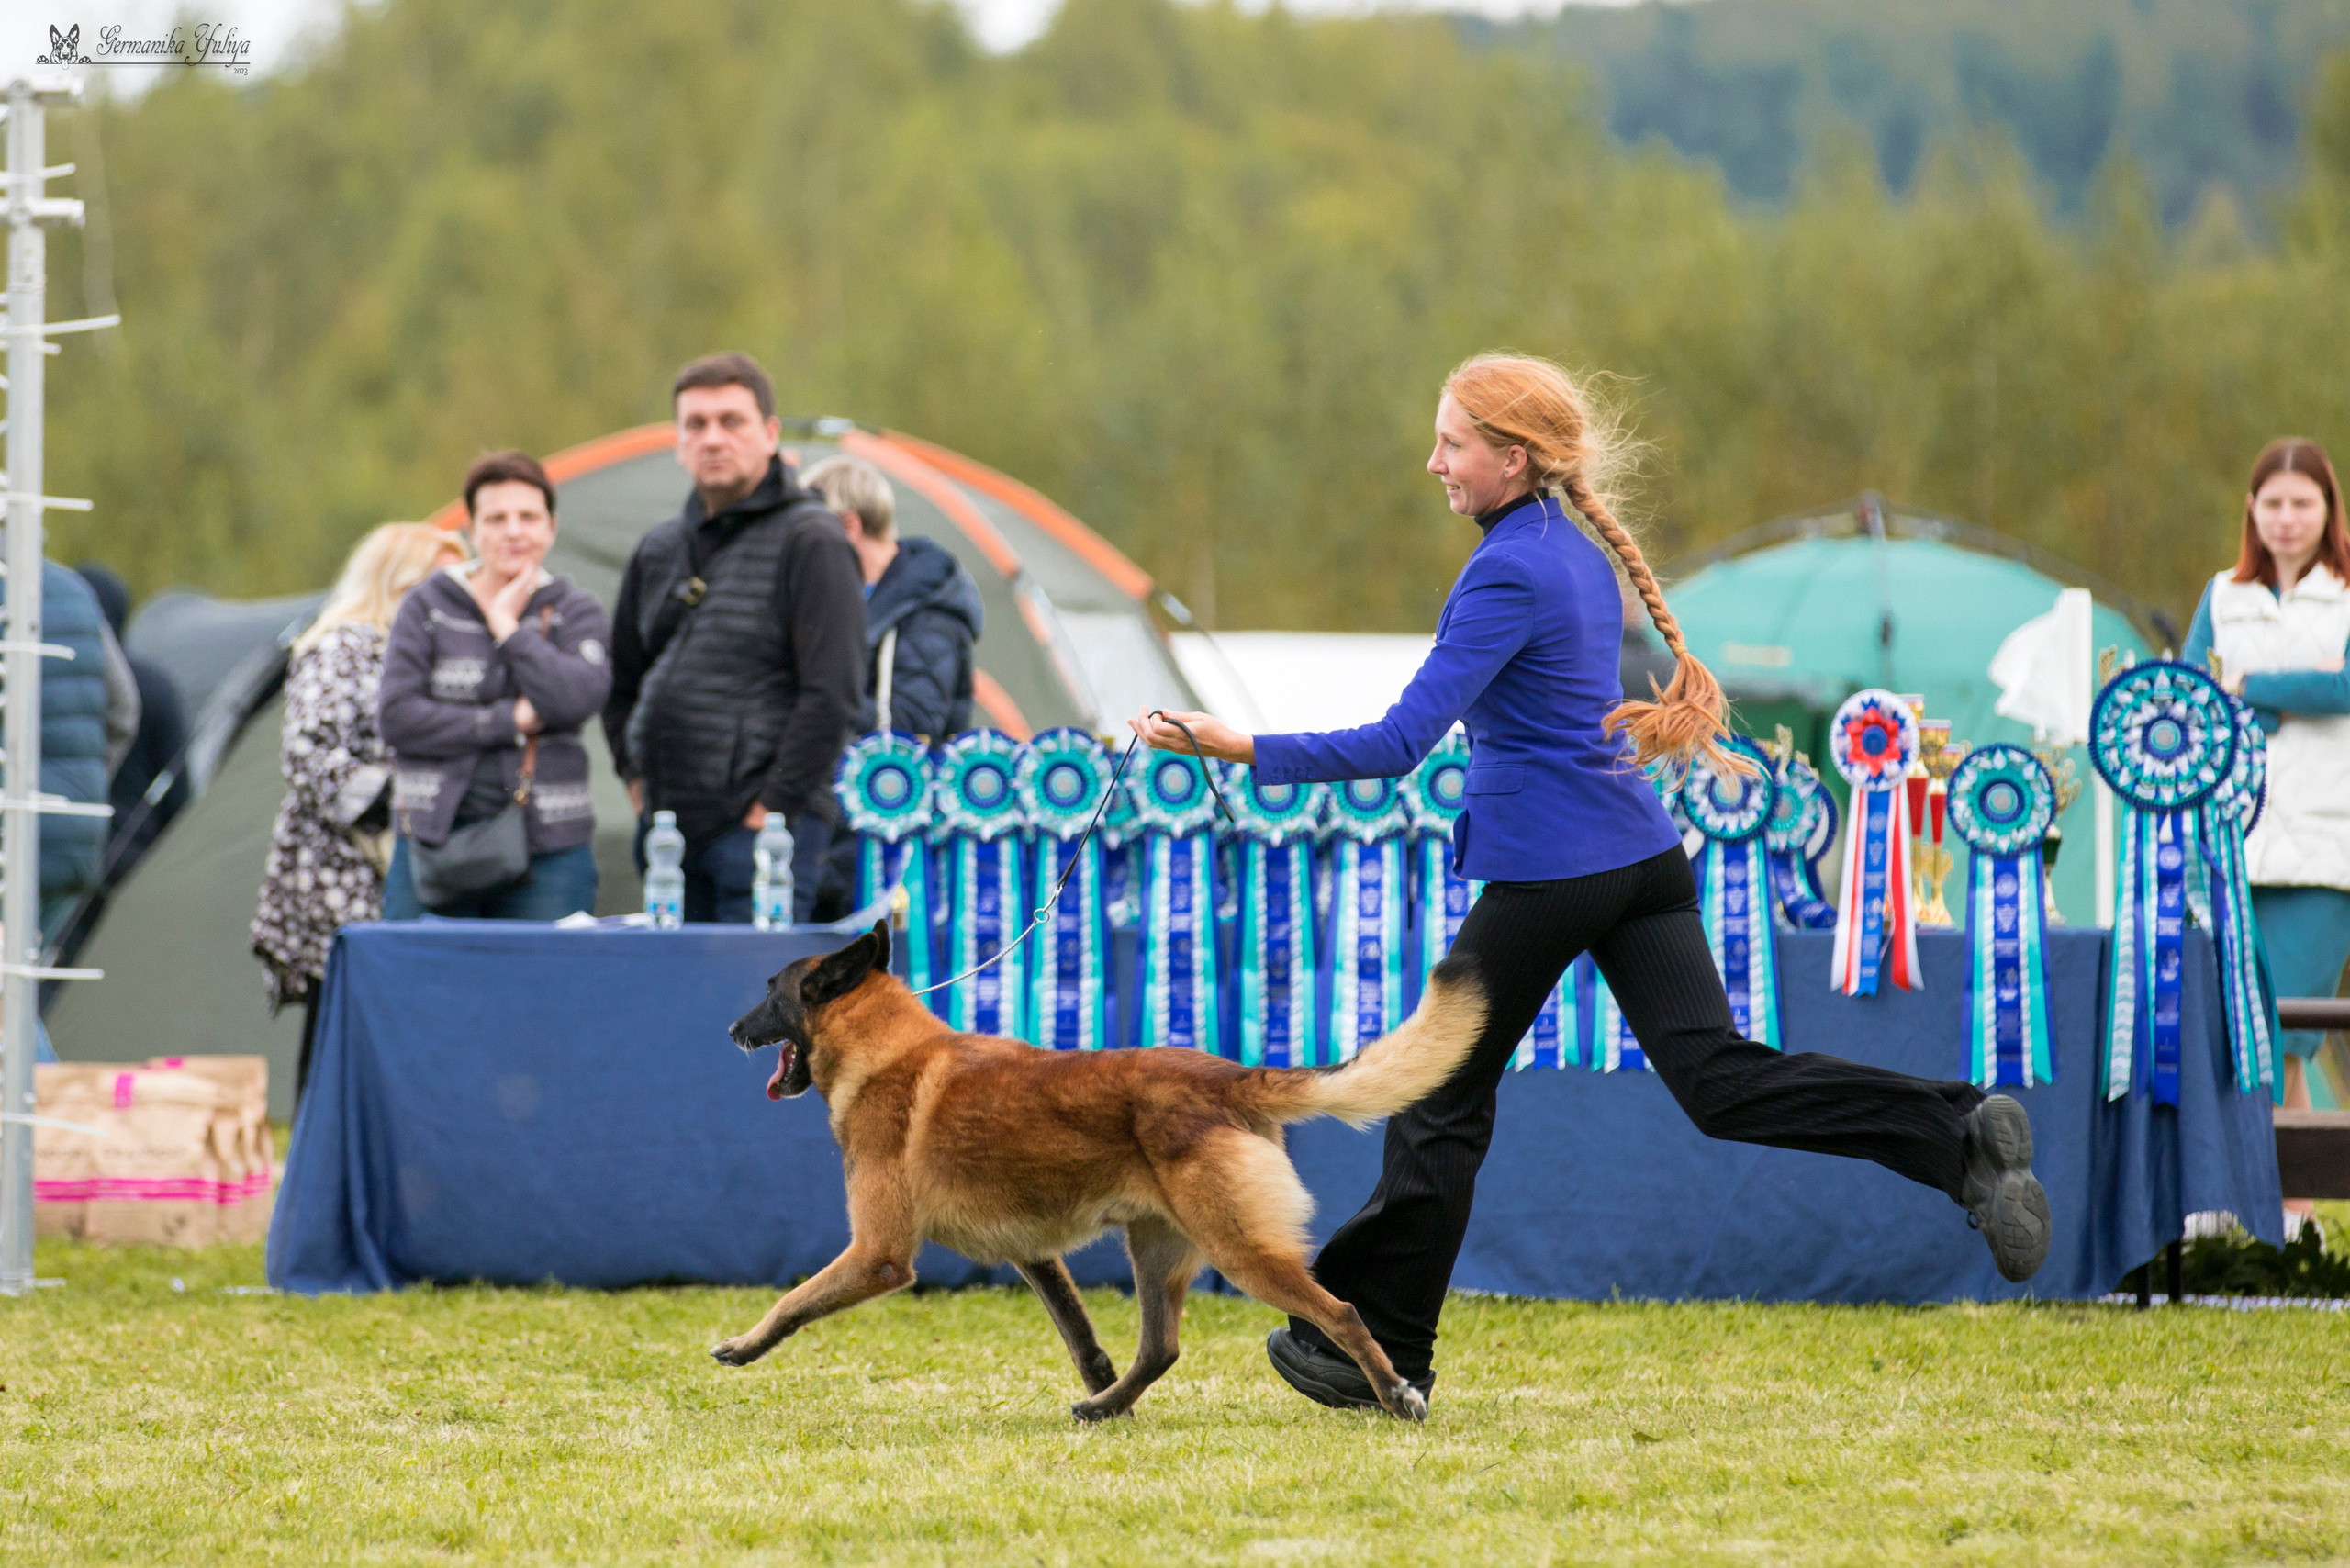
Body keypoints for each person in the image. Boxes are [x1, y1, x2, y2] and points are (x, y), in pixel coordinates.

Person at [1129, 353, 2051, 1415]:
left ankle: (1373, 1340)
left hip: (1555, 869)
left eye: (1452, 444)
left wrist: (1234, 744)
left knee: (1432, 1091)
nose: (1433, 462)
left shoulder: (1505, 569)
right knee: (1723, 1082)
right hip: (1639, 862)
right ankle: (1959, 1131)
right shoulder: (1568, 554)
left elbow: (1400, 740)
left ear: (1511, 459)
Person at [603, 353, 865, 924]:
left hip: (766, 838)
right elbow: (619, 681)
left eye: (731, 421)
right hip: (668, 836)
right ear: (678, 442)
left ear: (770, 434)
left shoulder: (812, 540)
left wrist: (770, 806)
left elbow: (834, 693)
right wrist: (635, 780)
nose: (713, 439)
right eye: (696, 425)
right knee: (677, 1003)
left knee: (755, 1007)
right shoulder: (659, 549)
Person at [252, 523, 464, 1102]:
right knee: (336, 1028)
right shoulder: (342, 646)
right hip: (340, 871)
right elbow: (307, 752)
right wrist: (398, 802)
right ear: (395, 581)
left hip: (412, 867)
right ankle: (315, 1180)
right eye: (434, 583)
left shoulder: (439, 655)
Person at [2183, 437, 2350, 1138]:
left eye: (2301, 502)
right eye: (2273, 503)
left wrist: (2249, 686)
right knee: (2240, 1034)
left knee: (2283, 1033)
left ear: (2328, 509)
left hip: (2323, 844)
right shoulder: (2223, 596)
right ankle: (2291, 1217)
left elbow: (2344, 686)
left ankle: (2285, 1213)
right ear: (2251, 509)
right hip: (2232, 844)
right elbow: (2191, 697)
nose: (2287, 518)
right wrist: (2302, 686)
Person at [380, 452, 612, 921]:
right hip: (430, 843)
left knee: (544, 989)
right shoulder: (427, 606)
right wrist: (511, 719)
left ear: (550, 527)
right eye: (496, 518)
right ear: (471, 530)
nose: (513, 531)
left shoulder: (576, 609)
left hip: (551, 850)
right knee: (415, 989)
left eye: (527, 517)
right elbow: (398, 718)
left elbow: (576, 698)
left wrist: (509, 629)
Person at [800, 453, 983, 742]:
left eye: (808, 534)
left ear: (849, 527)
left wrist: (808, 700)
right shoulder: (837, 597)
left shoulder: (930, 611)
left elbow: (917, 720)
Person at [74, 563, 191, 874]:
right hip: (138, 861)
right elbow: (178, 791)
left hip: (69, 846)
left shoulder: (49, 682)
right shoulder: (156, 687)